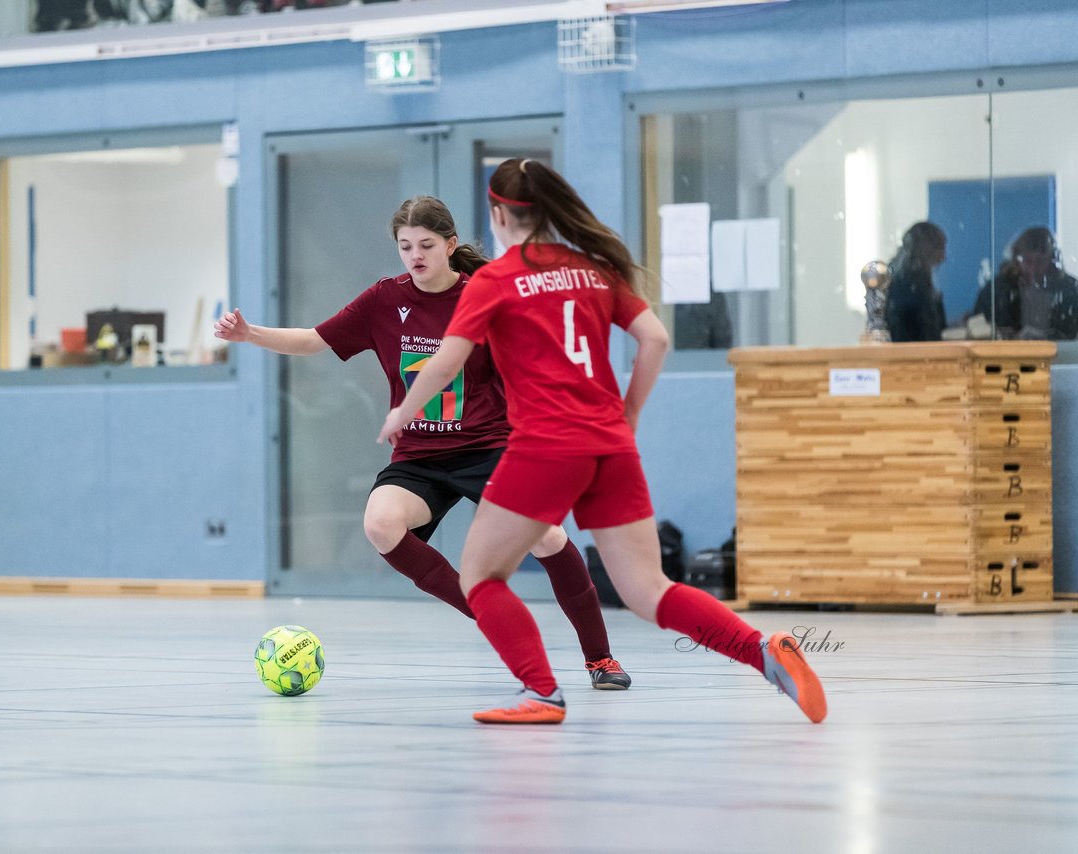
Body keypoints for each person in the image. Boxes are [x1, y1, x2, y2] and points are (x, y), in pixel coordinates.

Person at [378, 160, 826, 725]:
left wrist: (404, 411)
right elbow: (655, 338)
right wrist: (630, 411)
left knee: (481, 577)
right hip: (610, 445)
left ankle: (542, 693)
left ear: (497, 215)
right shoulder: (592, 269)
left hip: (545, 445)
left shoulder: (493, 280)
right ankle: (762, 652)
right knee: (648, 589)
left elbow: (446, 362)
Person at [215, 196, 632, 689]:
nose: (415, 255)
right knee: (381, 524)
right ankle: (489, 611)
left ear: (451, 246)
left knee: (546, 536)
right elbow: (315, 339)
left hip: (489, 446)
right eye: (406, 245)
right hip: (419, 457)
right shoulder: (384, 301)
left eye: (427, 245)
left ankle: (600, 659)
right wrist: (250, 334)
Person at [972, 226, 1078, 340]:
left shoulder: (1070, 291)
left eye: (1040, 261)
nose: (1034, 268)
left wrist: (1048, 338)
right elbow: (978, 332)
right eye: (1028, 261)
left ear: (1053, 261)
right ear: (1016, 261)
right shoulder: (996, 291)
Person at [885, 221, 948, 342]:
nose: (944, 257)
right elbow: (923, 328)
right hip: (912, 354)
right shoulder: (910, 284)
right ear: (928, 249)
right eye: (940, 249)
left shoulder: (906, 277)